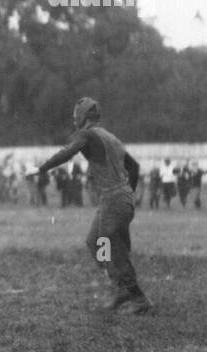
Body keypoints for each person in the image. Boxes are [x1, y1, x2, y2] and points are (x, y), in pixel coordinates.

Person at [28, 98, 151, 314]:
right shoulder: (110, 137)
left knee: (110, 245)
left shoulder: (86, 134)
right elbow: (135, 167)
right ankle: (120, 286)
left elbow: (68, 151)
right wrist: (128, 195)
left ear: (81, 116)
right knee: (95, 241)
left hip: (113, 198)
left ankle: (138, 297)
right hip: (117, 198)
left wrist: (41, 168)